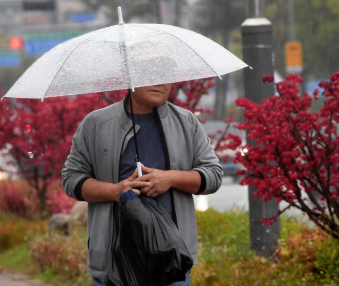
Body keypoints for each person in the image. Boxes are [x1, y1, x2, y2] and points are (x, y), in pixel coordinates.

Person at [62, 83, 223, 286]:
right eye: (150, 74)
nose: (159, 82)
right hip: (112, 264)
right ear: (131, 78)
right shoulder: (96, 124)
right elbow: (71, 178)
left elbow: (214, 175)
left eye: (165, 76)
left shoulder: (186, 123)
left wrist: (170, 178)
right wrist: (115, 191)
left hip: (171, 261)